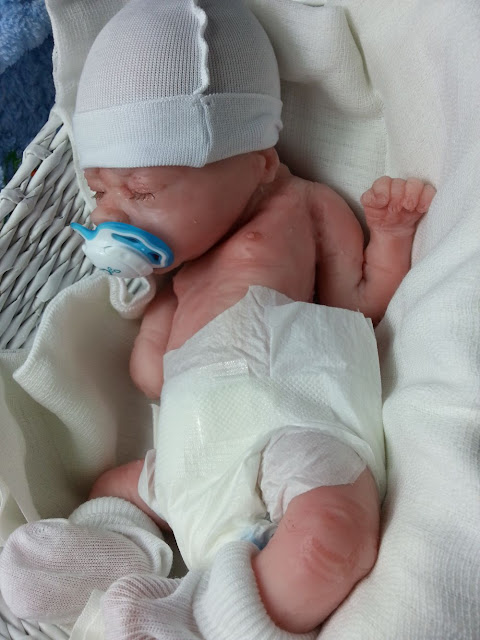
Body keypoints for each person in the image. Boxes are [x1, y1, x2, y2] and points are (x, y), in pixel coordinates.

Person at [0, 0, 435, 637]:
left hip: (288, 424)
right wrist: (147, 302)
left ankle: (200, 617)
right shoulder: (178, 274)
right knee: (112, 487)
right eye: (99, 191)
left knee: (327, 544)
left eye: (141, 191)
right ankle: (117, 558)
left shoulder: (305, 208)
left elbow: (360, 309)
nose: (111, 214)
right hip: (187, 456)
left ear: (259, 159)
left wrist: (391, 237)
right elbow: (151, 375)